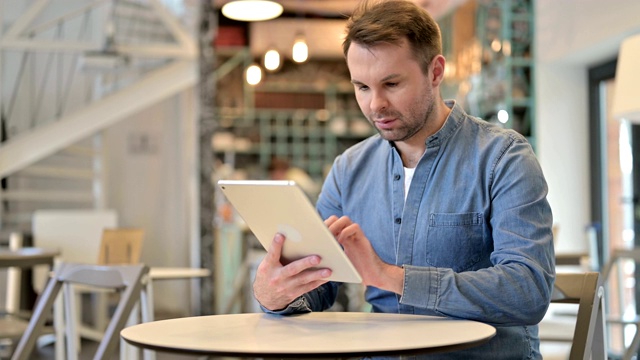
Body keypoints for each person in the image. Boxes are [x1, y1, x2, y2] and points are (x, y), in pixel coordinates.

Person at [252, 0, 555, 358]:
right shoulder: (349, 169)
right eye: (362, 87)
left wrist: (390, 276)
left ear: (435, 72)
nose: (375, 105)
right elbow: (320, 287)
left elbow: (527, 291)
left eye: (391, 83)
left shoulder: (503, 158)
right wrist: (275, 295)